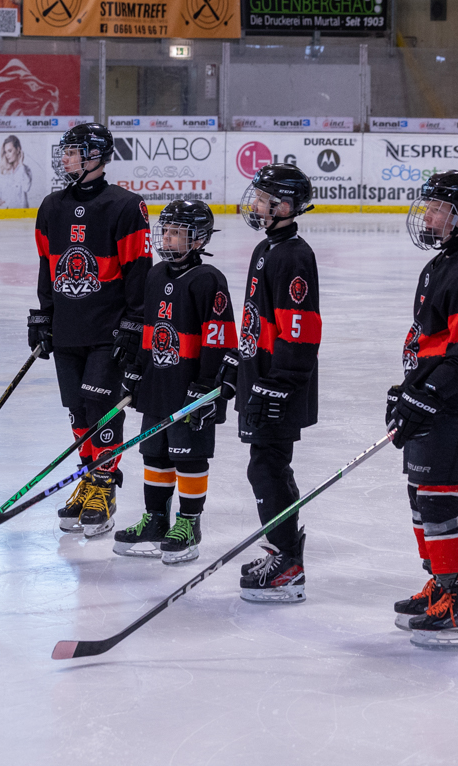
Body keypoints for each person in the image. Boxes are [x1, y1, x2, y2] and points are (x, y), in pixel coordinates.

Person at [385, 170, 458, 649]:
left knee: (438, 498)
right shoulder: (440, 263)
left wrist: (427, 393)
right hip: (427, 396)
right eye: (429, 206)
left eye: (438, 208)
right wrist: (406, 389)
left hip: (449, 402)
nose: (428, 216)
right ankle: (440, 581)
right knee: (420, 496)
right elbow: (427, 341)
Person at [30, 123, 151, 539]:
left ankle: (104, 485)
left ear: (95, 155)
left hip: (108, 330)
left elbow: (139, 270)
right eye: (64, 151)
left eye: (73, 151)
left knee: (102, 407)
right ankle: (88, 477)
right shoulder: (51, 206)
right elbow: (47, 266)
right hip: (68, 327)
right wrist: (44, 315)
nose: (64, 157)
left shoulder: (125, 205)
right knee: (77, 411)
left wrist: (135, 324)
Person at [112, 199, 234, 564]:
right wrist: (136, 371)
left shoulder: (208, 279)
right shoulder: (155, 275)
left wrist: (207, 385)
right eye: (165, 230)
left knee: (188, 455)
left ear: (198, 240)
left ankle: (189, 524)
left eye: (177, 233)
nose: (167, 238)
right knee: (155, 453)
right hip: (157, 382)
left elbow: (219, 338)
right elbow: (149, 330)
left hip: (190, 387)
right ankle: (155, 521)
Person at [232, 164, 323, 603]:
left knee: (267, 467)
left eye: (263, 198)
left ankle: (288, 562)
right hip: (261, 377)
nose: (255, 204)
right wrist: (239, 367)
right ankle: (283, 553)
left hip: (278, 384)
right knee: (267, 466)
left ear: (284, 206)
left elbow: (301, 330)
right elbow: (258, 321)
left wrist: (280, 384)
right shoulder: (268, 248)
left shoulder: (294, 256)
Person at [0, 134, 33, 209]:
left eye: (10, 151)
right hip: (6, 212)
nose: (7, 155)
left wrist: (21, 165)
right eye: (6, 152)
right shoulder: (3, 171)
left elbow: (26, 188)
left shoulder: (25, 170)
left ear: (18, 150)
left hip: (22, 213)